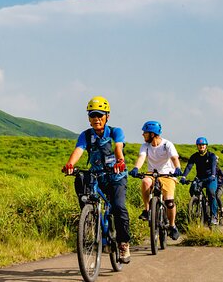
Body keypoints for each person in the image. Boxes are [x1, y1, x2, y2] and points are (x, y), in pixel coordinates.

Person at [62, 96, 131, 264]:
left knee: (119, 207)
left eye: (100, 115)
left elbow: (118, 147)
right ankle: (89, 216)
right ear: (89, 118)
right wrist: (70, 164)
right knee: (80, 180)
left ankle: (123, 243)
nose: (96, 119)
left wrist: (120, 162)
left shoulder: (115, 132)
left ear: (107, 116)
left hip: (116, 175)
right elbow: (79, 149)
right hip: (97, 175)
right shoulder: (86, 135)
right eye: (93, 115)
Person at [129, 121, 182, 240]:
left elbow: (174, 157)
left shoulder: (167, 144)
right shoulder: (145, 146)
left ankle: (172, 226)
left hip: (168, 174)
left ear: (152, 134)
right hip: (152, 174)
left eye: (145, 133)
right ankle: (147, 210)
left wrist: (177, 167)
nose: (143, 135)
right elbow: (141, 157)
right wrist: (136, 168)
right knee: (145, 182)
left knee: (169, 202)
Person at [180, 136, 220, 226]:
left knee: (211, 192)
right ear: (197, 146)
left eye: (203, 145)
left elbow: (213, 166)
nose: (201, 146)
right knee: (192, 189)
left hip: (211, 178)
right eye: (199, 145)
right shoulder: (195, 156)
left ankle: (214, 216)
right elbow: (189, 166)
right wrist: (183, 177)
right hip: (200, 178)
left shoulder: (211, 156)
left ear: (206, 146)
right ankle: (198, 202)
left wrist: (213, 175)